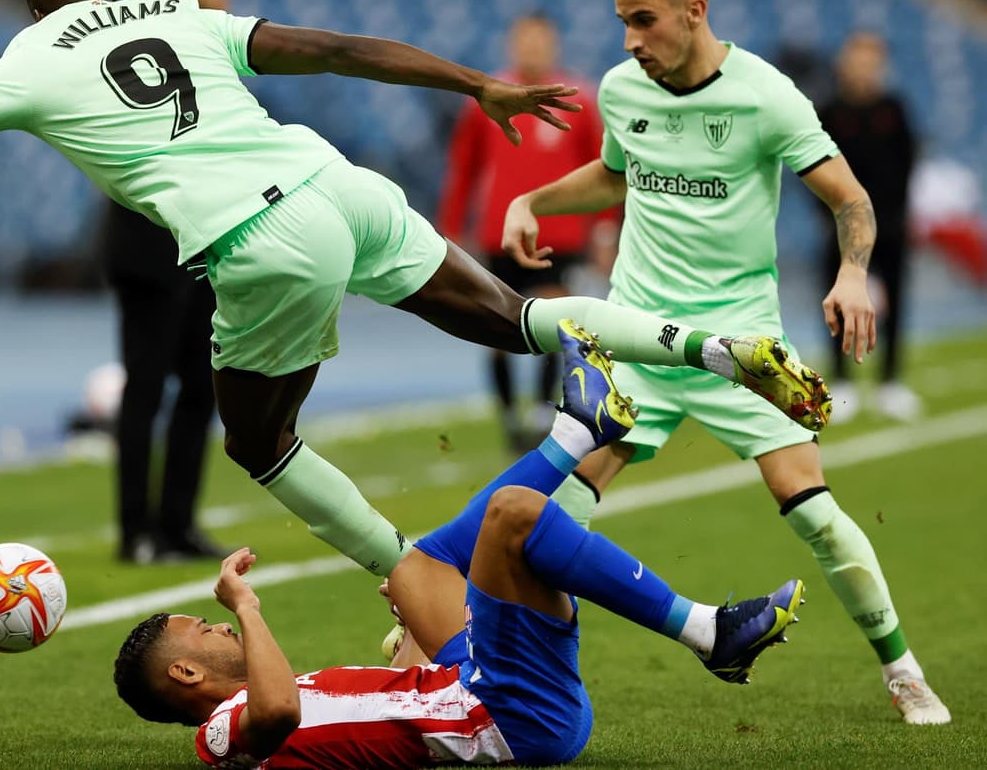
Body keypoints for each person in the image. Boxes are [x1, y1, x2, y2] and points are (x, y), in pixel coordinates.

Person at [0, 0, 828, 594]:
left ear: (41, 5)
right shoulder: (180, 14)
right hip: (331, 180)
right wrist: (471, 85)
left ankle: (405, 573)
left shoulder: (24, 59)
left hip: (257, 238)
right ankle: (702, 343)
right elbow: (335, 48)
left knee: (258, 437)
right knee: (512, 315)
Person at [501, 0, 948, 724]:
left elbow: (852, 200)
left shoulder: (767, 97)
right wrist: (534, 201)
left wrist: (850, 274)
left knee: (811, 510)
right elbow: (616, 172)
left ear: (694, 11)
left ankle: (903, 669)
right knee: (551, 516)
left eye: (645, 21)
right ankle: (513, 673)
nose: (631, 40)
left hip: (743, 351)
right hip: (637, 335)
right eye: (623, 24)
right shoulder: (621, 87)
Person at [112, 324, 805, 768]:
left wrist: (411, 625)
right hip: (511, 716)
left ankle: (578, 427)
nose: (217, 624)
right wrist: (248, 605)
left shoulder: (273, 700)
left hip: (472, 687)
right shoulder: (226, 733)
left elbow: (398, 709)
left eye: (212, 617)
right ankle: (706, 629)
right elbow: (279, 714)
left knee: (417, 566)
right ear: (186, 676)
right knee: (512, 514)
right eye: (201, 628)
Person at [105, 0, 235, 563]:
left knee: (199, 388)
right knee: (146, 388)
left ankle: (177, 524)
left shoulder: (211, 41)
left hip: (200, 243)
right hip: (149, 242)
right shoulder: (144, 47)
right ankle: (135, 533)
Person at [437, 13, 611, 451]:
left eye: (540, 41)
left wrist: (605, 228)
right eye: (524, 41)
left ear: (554, 45)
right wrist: (452, 230)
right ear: (511, 45)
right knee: (496, 328)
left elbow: (603, 169)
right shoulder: (486, 100)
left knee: (553, 323)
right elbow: (464, 170)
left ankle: (538, 408)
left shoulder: (578, 100)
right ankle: (508, 412)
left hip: (560, 234)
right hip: (499, 235)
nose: (532, 49)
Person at [817, 33, 919, 424]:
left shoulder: (894, 109)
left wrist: (890, 217)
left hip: (890, 227)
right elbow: (814, 167)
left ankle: (890, 381)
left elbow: (907, 165)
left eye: (871, 60)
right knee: (835, 305)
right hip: (839, 229)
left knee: (895, 302)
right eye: (857, 58)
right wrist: (831, 218)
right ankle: (841, 382)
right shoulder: (830, 110)